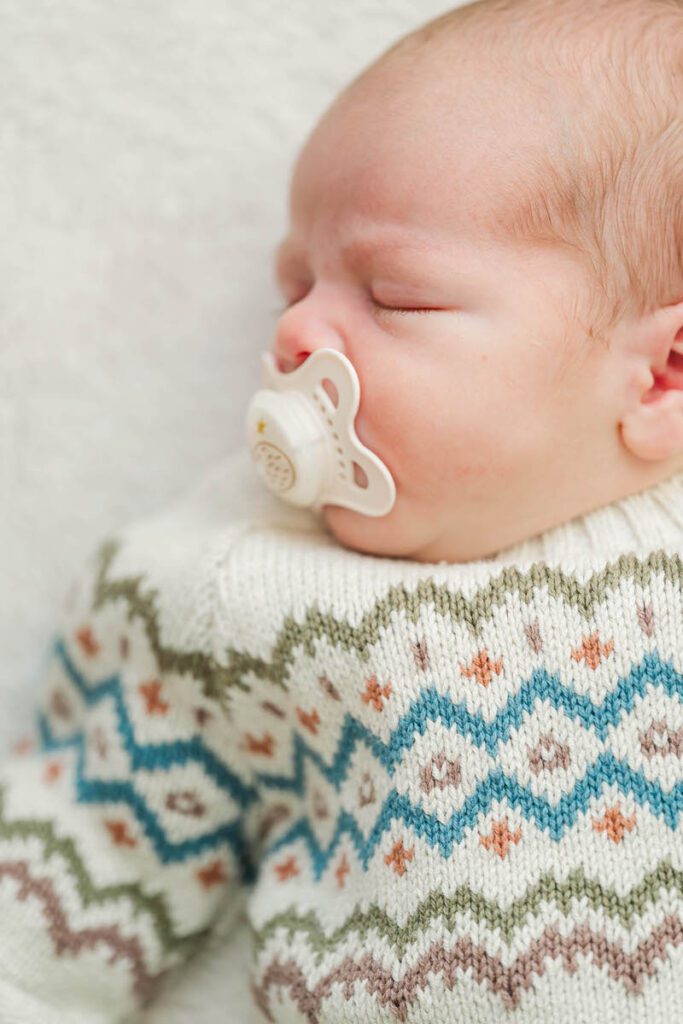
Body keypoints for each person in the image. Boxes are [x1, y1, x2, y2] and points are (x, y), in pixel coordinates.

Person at [1, 0, 682, 1020]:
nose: (296, 333)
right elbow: (90, 841)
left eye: (394, 293)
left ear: (660, 375)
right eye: (293, 287)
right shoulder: (237, 585)